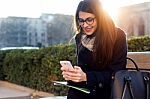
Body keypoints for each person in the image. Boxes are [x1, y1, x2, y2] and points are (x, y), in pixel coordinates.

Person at [61, 0, 127, 99]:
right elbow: (83, 69)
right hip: (84, 91)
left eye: (89, 19)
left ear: (100, 18)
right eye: (81, 20)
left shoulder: (117, 36)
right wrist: (73, 76)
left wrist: (87, 77)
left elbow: (117, 73)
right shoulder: (79, 37)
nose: (85, 25)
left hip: (107, 92)